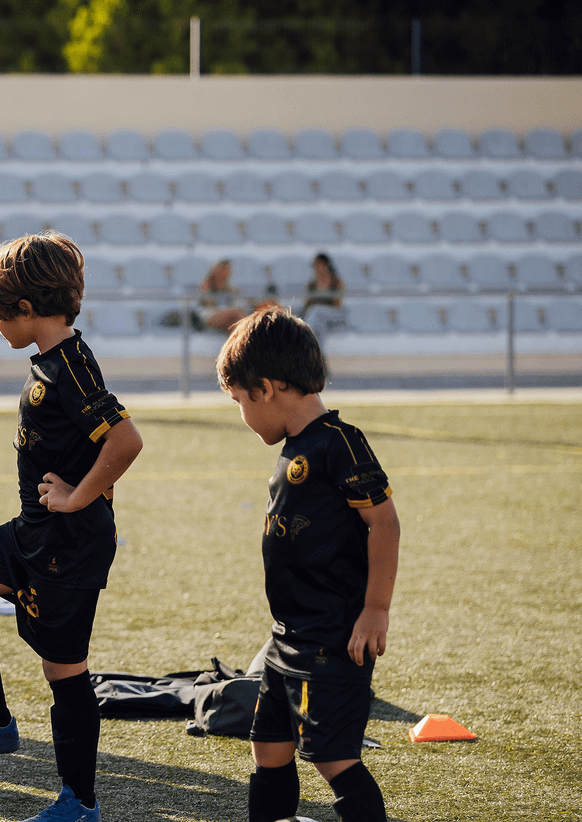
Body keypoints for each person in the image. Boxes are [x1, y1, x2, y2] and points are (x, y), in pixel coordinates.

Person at [0, 233, 144, 822]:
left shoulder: (70, 364)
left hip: (67, 542)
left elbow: (125, 441)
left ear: (25, 307)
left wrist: (78, 498)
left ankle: (80, 803)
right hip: (31, 529)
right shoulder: (53, 360)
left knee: (63, 669)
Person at [217, 307, 399, 822]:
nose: (243, 415)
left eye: (238, 401)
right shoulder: (293, 446)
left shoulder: (340, 443)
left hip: (331, 636)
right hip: (285, 636)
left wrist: (376, 610)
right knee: (269, 748)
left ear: (267, 388)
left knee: (333, 756)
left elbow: (384, 524)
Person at [301, 253, 346, 342]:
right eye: (316, 266)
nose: (318, 269)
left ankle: (304, 334)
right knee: (318, 323)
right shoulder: (311, 285)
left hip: (334, 314)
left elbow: (337, 304)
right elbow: (307, 304)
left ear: (326, 266)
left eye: (320, 266)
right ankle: (319, 353)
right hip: (318, 318)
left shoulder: (336, 282)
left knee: (317, 311)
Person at [199, 259, 249, 332]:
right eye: (224, 270)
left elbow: (237, 301)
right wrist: (228, 310)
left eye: (228, 270)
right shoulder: (207, 285)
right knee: (237, 313)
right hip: (209, 316)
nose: (226, 273)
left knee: (234, 322)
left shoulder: (229, 288)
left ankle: (244, 340)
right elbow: (210, 306)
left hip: (225, 313)